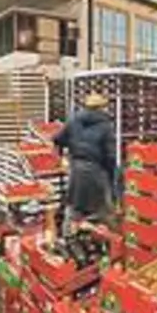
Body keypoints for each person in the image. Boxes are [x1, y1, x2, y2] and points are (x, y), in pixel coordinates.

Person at [55, 93, 119, 221]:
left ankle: (71, 237)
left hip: (76, 173)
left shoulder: (73, 120)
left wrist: (68, 150)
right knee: (103, 215)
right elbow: (110, 157)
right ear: (101, 108)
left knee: (75, 212)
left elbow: (58, 139)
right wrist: (114, 181)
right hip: (97, 174)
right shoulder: (105, 127)